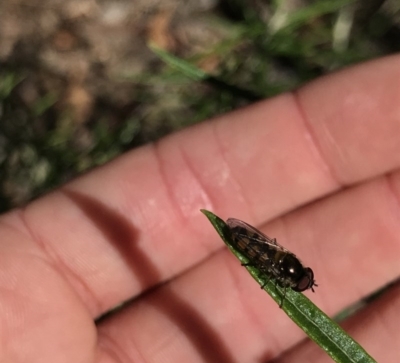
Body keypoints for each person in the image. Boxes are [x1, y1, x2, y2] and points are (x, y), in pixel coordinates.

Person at [1, 55, 399, 363]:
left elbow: (272, 256)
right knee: (260, 254)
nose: (301, 283)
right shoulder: (282, 268)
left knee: (262, 254)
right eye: (300, 280)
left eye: (301, 282)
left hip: (255, 245)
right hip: (251, 243)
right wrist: (253, 252)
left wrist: (258, 254)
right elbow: (269, 258)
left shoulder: (285, 264)